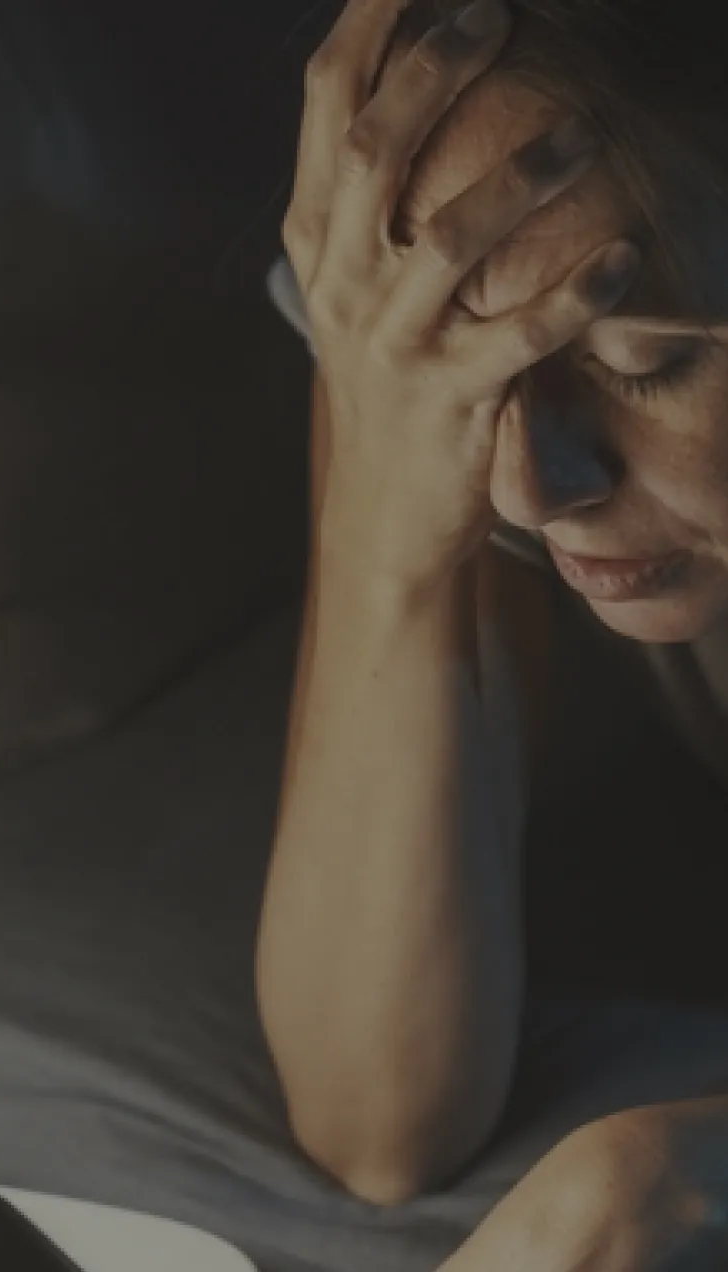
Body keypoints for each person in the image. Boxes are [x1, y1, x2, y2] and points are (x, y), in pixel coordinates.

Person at [256, 0, 728, 1263]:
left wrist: (669, 1176)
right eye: (474, 362)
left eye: (644, 364)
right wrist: (391, 508)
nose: (529, 485)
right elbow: (379, 1115)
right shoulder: (462, 419)